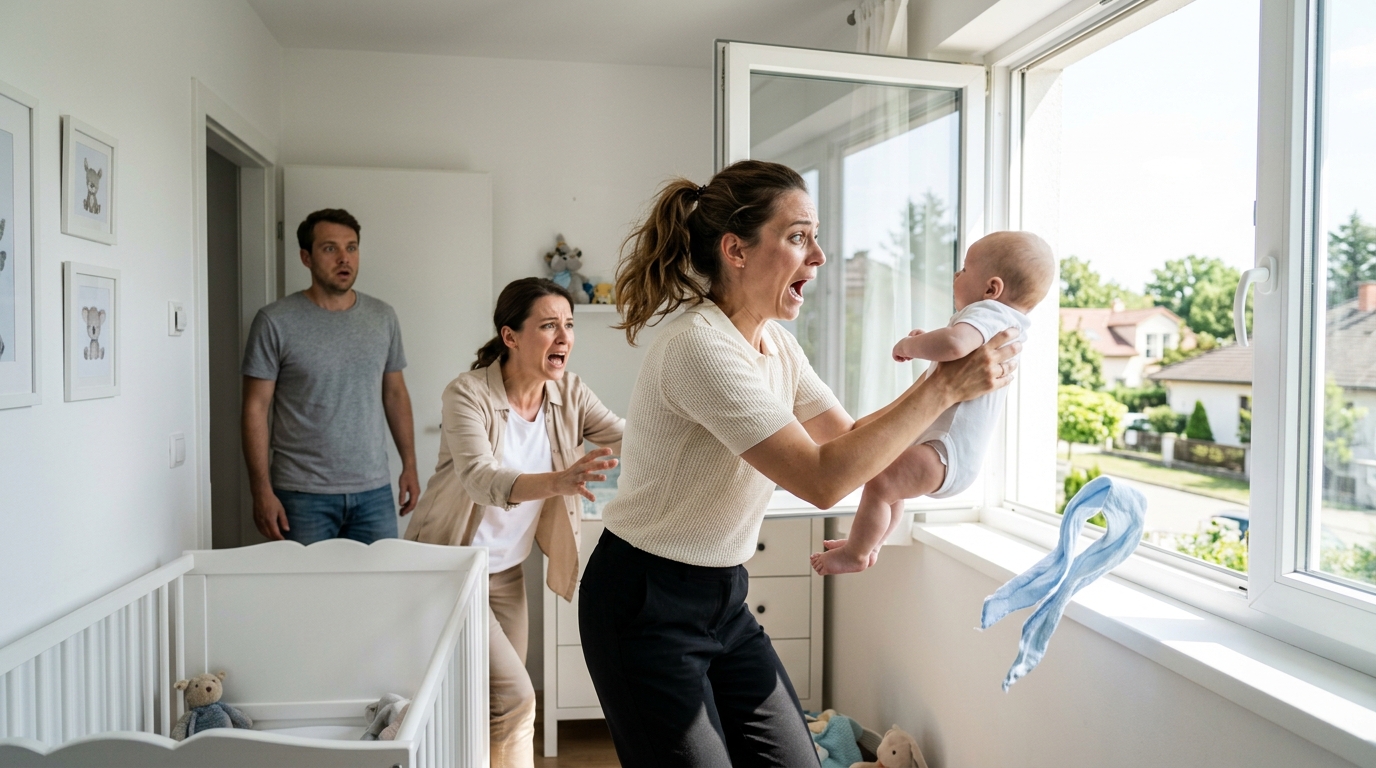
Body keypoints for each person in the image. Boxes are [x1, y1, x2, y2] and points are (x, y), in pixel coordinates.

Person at [578, 160, 1020, 767]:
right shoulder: (700, 347)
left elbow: (851, 441)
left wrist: (949, 409)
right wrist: (942, 388)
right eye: (798, 236)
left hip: (723, 597)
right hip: (644, 600)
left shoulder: (777, 344)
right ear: (736, 249)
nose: (819, 255)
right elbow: (822, 478)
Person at [404, 277, 624, 768]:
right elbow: (482, 478)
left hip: (506, 574)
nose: (564, 337)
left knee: (492, 703)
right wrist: (560, 480)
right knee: (517, 699)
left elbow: (626, 435)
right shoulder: (467, 394)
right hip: (451, 570)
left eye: (568, 325)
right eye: (549, 326)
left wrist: (699, 428)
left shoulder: (568, 391)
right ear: (511, 336)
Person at [811, 231, 1055, 575]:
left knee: (881, 485)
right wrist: (929, 341)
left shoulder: (989, 312)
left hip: (944, 452)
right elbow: (952, 351)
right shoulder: (1003, 322)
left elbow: (954, 345)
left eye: (965, 269)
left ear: (991, 289)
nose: (957, 275)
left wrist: (910, 346)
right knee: (889, 485)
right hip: (950, 455)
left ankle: (857, 551)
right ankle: (869, 544)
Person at [241, 208, 420, 544]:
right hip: (300, 493)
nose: (344, 258)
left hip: (373, 491)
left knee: (378, 592)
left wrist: (409, 465)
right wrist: (261, 490)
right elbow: (254, 408)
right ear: (306, 257)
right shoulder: (274, 321)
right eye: (330, 248)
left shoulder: (383, 317)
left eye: (351, 248)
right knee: (308, 594)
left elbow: (395, 394)